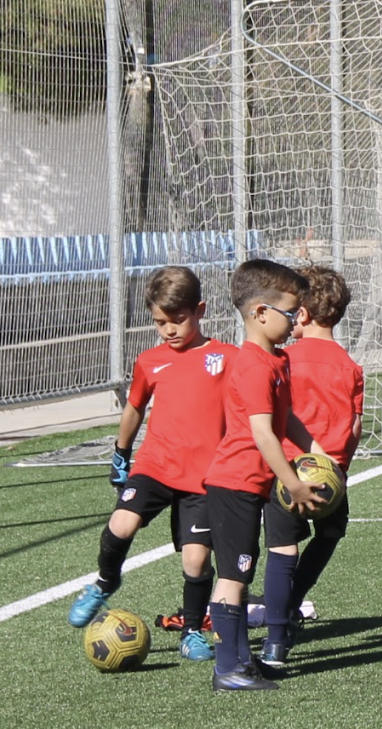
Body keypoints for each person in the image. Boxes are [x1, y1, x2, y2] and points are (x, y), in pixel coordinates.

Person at [68, 267, 234, 666]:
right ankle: (106, 580)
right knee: (120, 523)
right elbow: (135, 408)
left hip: (203, 477)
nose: (169, 330)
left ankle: (193, 630)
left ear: (200, 310)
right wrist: (121, 454)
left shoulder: (226, 358)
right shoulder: (150, 361)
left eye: (177, 320)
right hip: (156, 465)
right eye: (160, 322)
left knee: (195, 560)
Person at [201, 260, 327, 690]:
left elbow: (286, 420)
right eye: (291, 313)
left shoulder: (278, 361)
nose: (298, 320)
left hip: (250, 486)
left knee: (243, 570)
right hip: (232, 484)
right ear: (259, 313)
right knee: (234, 575)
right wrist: (292, 483)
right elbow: (261, 432)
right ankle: (228, 668)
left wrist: (316, 452)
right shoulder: (253, 365)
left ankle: (241, 659)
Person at [258, 264, 364, 664]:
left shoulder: (284, 360)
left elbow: (271, 415)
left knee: (281, 552)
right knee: (330, 535)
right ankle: (295, 599)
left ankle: (276, 640)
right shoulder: (351, 366)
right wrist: (340, 469)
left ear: (300, 312)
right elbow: (354, 427)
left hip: (286, 472)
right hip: (330, 474)